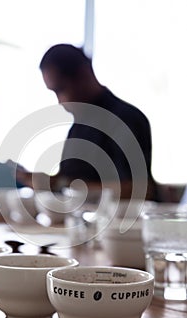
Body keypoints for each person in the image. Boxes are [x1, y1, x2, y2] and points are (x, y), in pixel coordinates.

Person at [17, 43, 157, 200]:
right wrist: (49, 182)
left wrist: (62, 185)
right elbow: (71, 179)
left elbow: (139, 190)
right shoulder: (78, 127)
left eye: (61, 89)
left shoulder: (127, 119)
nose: (59, 102)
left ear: (84, 75)